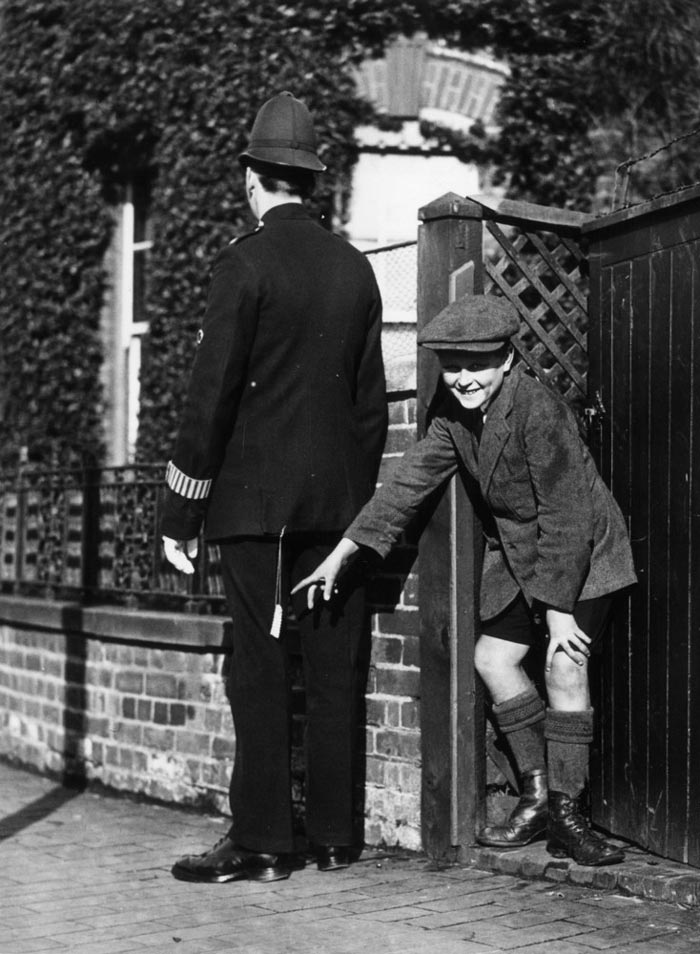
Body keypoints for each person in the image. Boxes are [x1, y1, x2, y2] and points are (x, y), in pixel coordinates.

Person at [293, 293, 637, 867]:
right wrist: (342, 553)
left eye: (476, 364)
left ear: (507, 360)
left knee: (564, 662)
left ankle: (569, 814)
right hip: (522, 556)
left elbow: (567, 515)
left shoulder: (537, 408)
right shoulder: (452, 417)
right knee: (492, 660)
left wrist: (556, 613)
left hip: (586, 554)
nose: (462, 378)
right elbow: (407, 484)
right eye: (452, 365)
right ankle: (536, 795)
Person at [160, 91, 388, 883]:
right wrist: (360, 516)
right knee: (333, 669)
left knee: (256, 667)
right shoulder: (355, 270)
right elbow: (368, 411)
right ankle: (332, 836)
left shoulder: (242, 262)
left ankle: (261, 842)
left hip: (253, 508)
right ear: (310, 181)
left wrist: (179, 511)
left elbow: (210, 395)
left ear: (252, 179)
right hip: (337, 507)